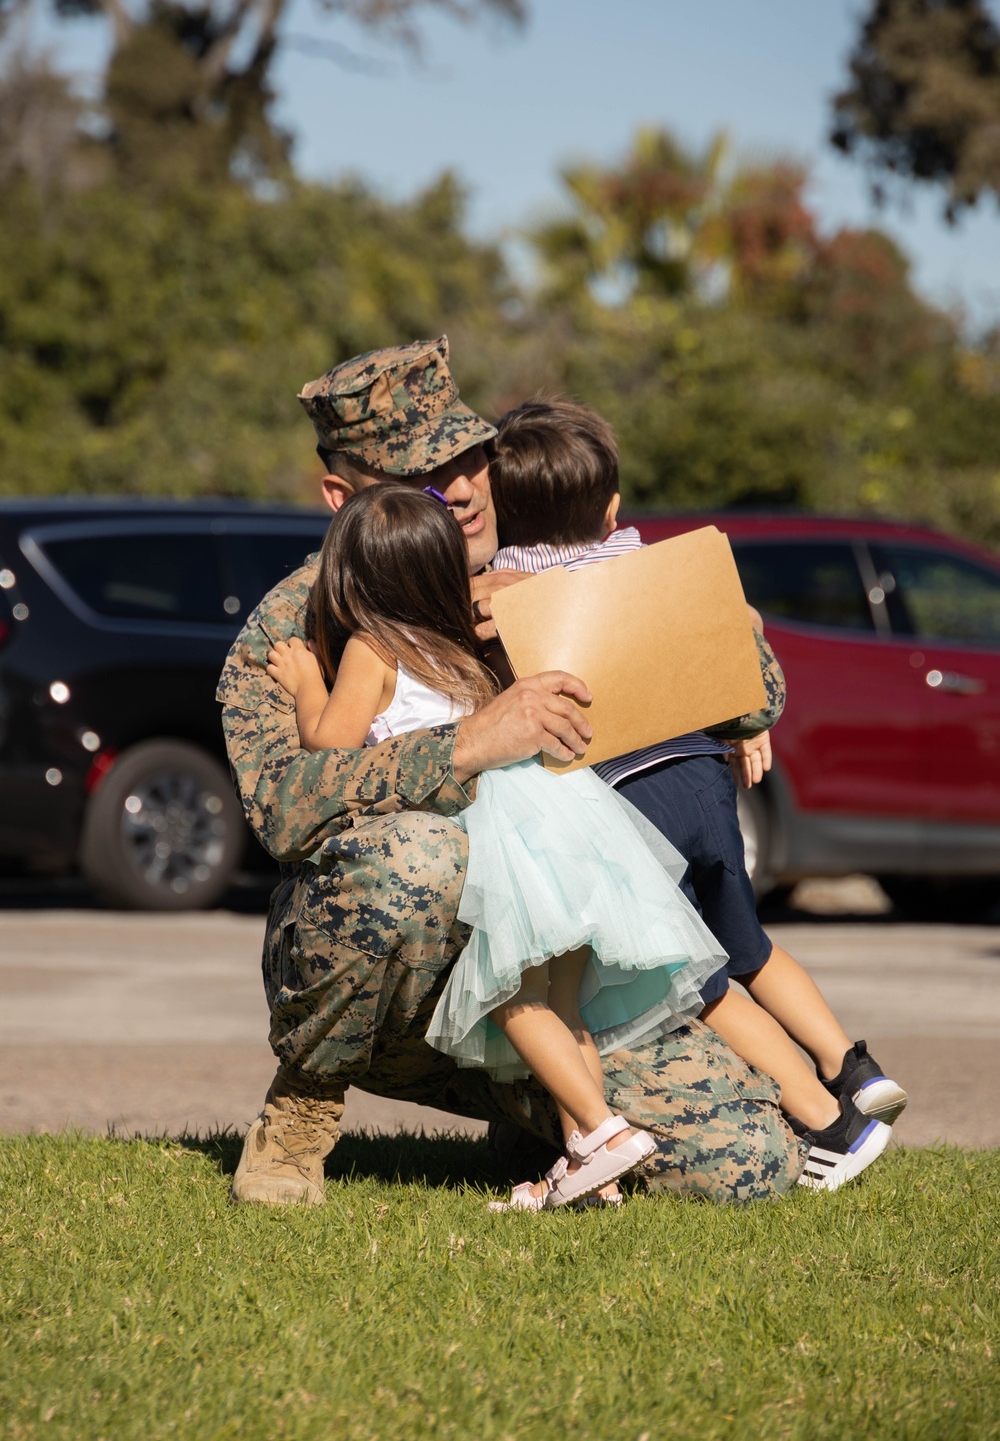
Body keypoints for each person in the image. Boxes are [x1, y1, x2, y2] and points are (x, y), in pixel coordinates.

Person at [220, 335, 805, 1209]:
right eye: (419, 478)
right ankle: (302, 1112)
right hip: (403, 982)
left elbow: (751, 692)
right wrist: (466, 743)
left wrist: (719, 614)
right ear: (342, 497)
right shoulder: (298, 624)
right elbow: (284, 811)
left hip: (563, 975)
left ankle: (536, 1116)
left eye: (470, 458)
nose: (458, 489)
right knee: (413, 862)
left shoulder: (546, 564)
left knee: (750, 1164)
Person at [479, 397, 906, 1187]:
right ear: (613, 509)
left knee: (703, 986)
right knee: (751, 948)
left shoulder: (509, 589)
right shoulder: (651, 562)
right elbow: (736, 616)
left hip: (632, 803)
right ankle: (851, 1064)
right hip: (707, 781)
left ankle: (832, 1128)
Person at [265, 482, 729, 1209]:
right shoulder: (466, 651)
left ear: (351, 582)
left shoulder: (373, 647)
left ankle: (605, 1135)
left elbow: (331, 745)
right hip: (567, 830)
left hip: (505, 846)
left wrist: (302, 685)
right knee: (567, 1007)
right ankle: (584, 1159)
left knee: (515, 998)